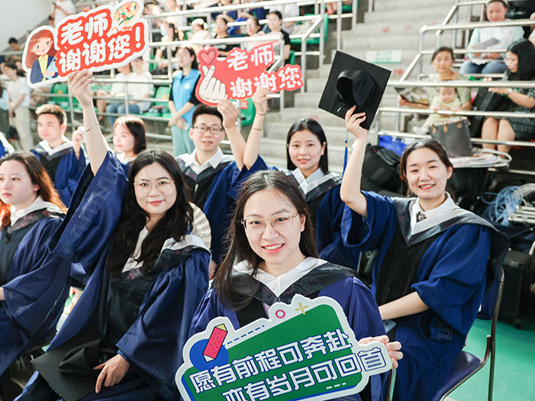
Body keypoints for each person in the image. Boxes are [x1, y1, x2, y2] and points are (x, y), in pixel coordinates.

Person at [16, 70, 211, 401]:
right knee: (38, 391)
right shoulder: (122, 230)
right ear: (132, 189)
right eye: (143, 184)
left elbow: (171, 320)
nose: (153, 192)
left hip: (143, 362)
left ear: (178, 187)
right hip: (94, 340)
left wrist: (128, 356)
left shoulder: (187, 252)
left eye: (163, 183)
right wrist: (86, 105)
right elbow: (105, 170)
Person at [339, 108, 508, 401]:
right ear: (405, 176)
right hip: (383, 316)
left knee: (390, 361)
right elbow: (349, 196)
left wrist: (373, 314)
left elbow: (435, 294)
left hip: (430, 333)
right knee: (341, 351)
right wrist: (360, 140)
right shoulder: (397, 212)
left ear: (448, 170)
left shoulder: (469, 230)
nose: (424, 176)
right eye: (414, 169)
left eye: (432, 166)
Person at [190, 169, 402, 401]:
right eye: (256, 222)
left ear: (301, 220)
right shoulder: (226, 292)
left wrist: (370, 356)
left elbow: (372, 382)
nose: (269, 234)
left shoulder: (344, 289)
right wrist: (212, 355)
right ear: (244, 227)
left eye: (280, 219)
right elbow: (206, 361)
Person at [241, 89, 360, 269]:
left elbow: (343, 237)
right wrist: (259, 115)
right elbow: (251, 163)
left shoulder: (337, 188)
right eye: (296, 145)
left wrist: (315, 264)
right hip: (281, 263)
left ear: (323, 147)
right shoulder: (281, 182)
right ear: (288, 148)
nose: (303, 152)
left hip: (320, 268)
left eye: (310, 145)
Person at [0, 152, 70, 397]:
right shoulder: (9, 221)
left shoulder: (51, 225)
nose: (5, 185)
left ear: (36, 184)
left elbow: (44, 281)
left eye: (15, 179)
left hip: (25, 318)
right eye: (1, 178)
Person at [176, 102, 259, 270]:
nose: (208, 134)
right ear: (191, 133)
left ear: (222, 135)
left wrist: (214, 258)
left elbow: (251, 174)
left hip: (219, 257)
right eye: (202, 128)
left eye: (214, 129)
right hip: (177, 251)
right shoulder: (177, 166)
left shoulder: (231, 168)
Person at [482, 39, 535, 154]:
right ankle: (487, 158)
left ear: (525, 59)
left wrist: (508, 91)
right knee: (490, 119)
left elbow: (531, 102)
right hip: (509, 113)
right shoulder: (510, 72)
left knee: (505, 121)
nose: (509, 63)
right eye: (507, 60)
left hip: (530, 118)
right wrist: (491, 84)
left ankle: (502, 159)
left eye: (513, 60)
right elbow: (502, 85)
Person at [31, 104, 87, 207]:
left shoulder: (73, 151)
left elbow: (79, 179)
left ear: (63, 127)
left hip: (65, 206)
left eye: (49, 125)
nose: (44, 129)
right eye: (40, 125)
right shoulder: (36, 152)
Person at [460, 0, 524, 75]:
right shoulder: (480, 27)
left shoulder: (515, 26)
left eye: (498, 11)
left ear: (505, 9)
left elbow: (519, 49)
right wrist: (476, 53)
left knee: (490, 68)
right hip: (481, 60)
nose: (494, 15)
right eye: (490, 12)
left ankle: (483, 83)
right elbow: (470, 50)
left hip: (503, 61)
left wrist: (501, 55)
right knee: (466, 67)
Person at [399, 47, 471, 111]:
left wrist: (460, 109)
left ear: (452, 61)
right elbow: (427, 106)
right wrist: (407, 103)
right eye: (439, 60)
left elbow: (467, 104)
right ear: (433, 62)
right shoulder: (430, 80)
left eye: (446, 59)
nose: (442, 63)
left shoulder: (461, 80)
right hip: (435, 117)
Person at [168, 46, 201, 156]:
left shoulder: (198, 76)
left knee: (192, 153)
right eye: (179, 55)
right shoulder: (176, 76)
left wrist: (176, 117)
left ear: (192, 57)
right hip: (177, 122)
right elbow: (171, 99)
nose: (181, 58)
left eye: (185, 55)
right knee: (179, 155)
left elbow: (194, 100)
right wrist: (176, 117)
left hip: (190, 121)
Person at [4, 63, 32, 151]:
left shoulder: (22, 81)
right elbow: (9, 98)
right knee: (14, 133)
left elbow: (22, 97)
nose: (6, 72)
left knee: (23, 133)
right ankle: (19, 152)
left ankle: (29, 152)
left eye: (8, 69)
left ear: (14, 70)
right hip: (12, 110)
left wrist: (12, 108)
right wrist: (10, 109)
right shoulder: (10, 84)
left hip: (21, 109)